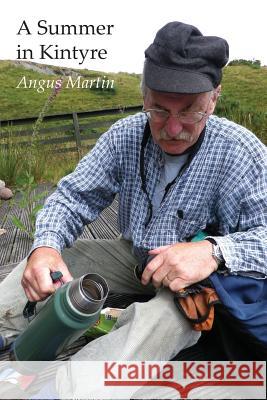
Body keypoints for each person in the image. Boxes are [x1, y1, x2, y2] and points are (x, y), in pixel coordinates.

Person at [0, 20, 266, 396]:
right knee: (54, 258)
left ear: (214, 98)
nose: (172, 129)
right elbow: (72, 197)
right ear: (144, 97)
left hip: (195, 284)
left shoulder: (243, 152)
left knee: (168, 317)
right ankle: (6, 328)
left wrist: (213, 251)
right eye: (159, 110)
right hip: (134, 255)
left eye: (189, 112)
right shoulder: (124, 135)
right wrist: (45, 247)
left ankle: (64, 389)